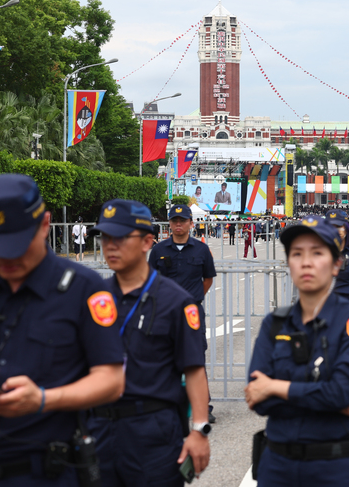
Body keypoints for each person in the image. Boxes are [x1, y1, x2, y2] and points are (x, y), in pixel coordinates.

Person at [0, 173, 125, 485]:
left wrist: (45, 399)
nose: (5, 258)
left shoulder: (83, 288)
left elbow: (111, 380)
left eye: (16, 245)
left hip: (50, 471)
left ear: (45, 223)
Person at [245, 215, 349, 486]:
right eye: (297, 254)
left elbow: (341, 392)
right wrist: (327, 399)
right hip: (277, 467)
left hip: (335, 467)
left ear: (336, 264)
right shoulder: (275, 323)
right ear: (289, 263)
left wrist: (275, 387)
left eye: (317, 253)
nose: (306, 262)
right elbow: (258, 399)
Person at [87, 199, 211, 486]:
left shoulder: (175, 302)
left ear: (147, 242)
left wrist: (199, 430)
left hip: (151, 431)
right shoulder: (94, 298)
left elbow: (193, 369)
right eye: (105, 237)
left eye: (119, 237)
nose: (110, 245)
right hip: (99, 429)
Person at [149, 204, 217, 422]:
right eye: (174, 220)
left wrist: (192, 299)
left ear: (190, 223)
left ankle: (202, 406)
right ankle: (167, 403)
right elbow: (151, 280)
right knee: (165, 357)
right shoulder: (159, 251)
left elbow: (208, 279)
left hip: (192, 313)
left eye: (182, 220)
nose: (178, 224)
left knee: (196, 357)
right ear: (169, 223)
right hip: (165, 313)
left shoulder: (201, 249)